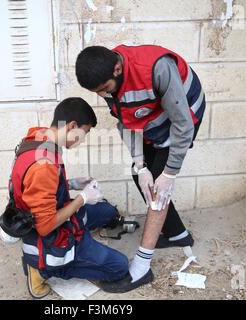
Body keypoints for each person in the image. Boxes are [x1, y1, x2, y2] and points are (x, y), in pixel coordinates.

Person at [75, 45, 206, 292]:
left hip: (185, 116)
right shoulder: (109, 80)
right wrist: (140, 163)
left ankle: (142, 268)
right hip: (157, 118)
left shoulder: (156, 68)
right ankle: (177, 234)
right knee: (142, 176)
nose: (103, 95)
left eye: (105, 89)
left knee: (158, 188)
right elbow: (127, 123)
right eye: (98, 93)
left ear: (117, 68)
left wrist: (169, 173)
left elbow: (182, 125)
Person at [10, 97, 129, 298]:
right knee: (120, 267)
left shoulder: (37, 138)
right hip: (49, 235)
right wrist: (82, 198)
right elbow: (45, 226)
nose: (83, 139)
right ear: (73, 126)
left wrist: (73, 184)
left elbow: (36, 187)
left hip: (46, 213)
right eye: (85, 132)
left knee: (107, 212)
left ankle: (77, 243)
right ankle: (44, 270)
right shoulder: (44, 166)